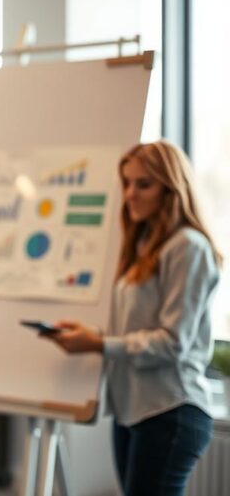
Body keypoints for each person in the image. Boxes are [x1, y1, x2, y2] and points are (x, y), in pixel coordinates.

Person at [43, 140, 221, 496]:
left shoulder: (187, 247)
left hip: (171, 409)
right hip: (133, 409)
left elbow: (172, 342)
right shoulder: (144, 247)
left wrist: (99, 344)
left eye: (143, 184)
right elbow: (139, 330)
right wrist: (92, 335)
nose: (129, 195)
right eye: (126, 183)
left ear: (170, 188)